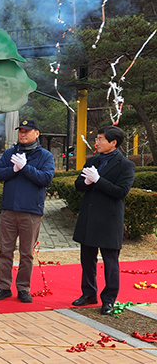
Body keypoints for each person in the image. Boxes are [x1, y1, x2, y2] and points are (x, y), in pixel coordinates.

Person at [71, 126, 135, 315]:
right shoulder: (92, 161)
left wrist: (98, 180)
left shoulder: (126, 165)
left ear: (113, 142)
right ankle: (89, 293)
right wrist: (86, 182)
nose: (96, 142)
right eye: (97, 138)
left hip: (109, 219)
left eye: (100, 139)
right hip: (89, 217)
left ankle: (109, 300)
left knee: (110, 262)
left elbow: (121, 192)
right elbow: (78, 186)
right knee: (87, 259)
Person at [0, 119, 54, 303]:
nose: (22, 134)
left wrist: (26, 168)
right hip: (9, 209)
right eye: (20, 131)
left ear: (37, 133)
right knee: (5, 251)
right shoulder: (10, 153)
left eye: (27, 131)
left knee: (26, 253)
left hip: (30, 211)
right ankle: (3, 286)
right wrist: (14, 168)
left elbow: (46, 179)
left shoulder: (45, 156)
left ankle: (23, 288)